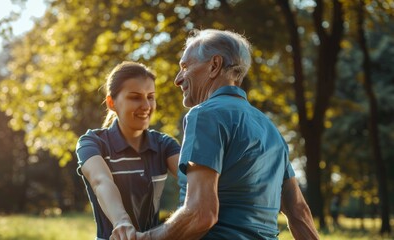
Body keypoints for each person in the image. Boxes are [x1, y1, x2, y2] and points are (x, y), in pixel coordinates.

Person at [112, 29, 319, 239]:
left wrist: (144, 238)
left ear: (214, 65)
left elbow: (201, 215)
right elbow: (299, 212)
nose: (177, 79)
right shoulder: (269, 128)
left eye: (185, 67)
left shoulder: (205, 115)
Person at [76, 61, 180, 240]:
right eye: (135, 97)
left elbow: (194, 181)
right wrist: (122, 222)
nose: (146, 105)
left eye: (150, 96)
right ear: (111, 102)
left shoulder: (165, 144)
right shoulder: (92, 142)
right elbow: (100, 181)